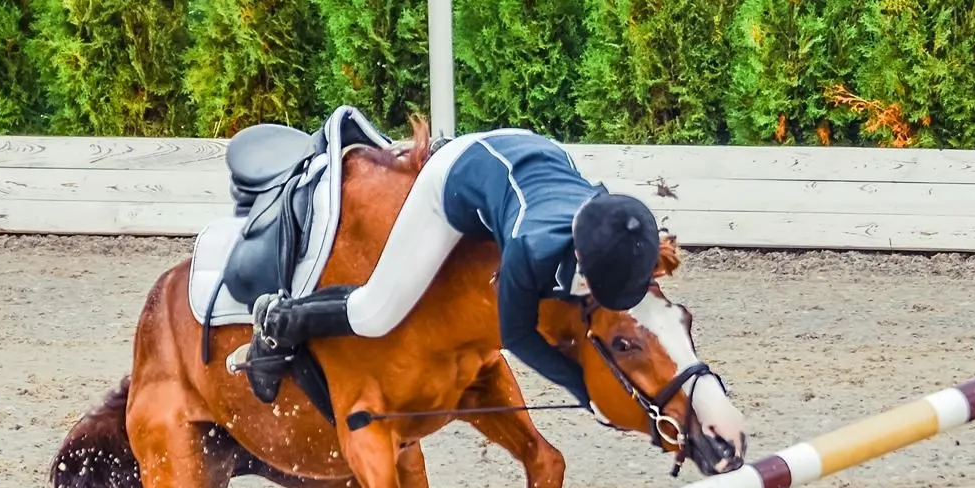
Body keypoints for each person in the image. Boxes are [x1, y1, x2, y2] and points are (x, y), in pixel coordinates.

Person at [229, 127, 661, 411]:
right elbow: (517, 336)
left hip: (521, 148)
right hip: (452, 179)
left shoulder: (614, 219)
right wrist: (582, 388)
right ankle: (280, 321)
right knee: (374, 313)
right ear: (581, 257)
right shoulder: (532, 246)